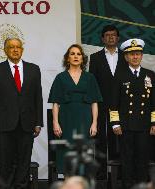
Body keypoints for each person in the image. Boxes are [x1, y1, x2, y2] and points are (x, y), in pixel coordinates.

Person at [0, 37, 43, 189]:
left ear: (22, 50)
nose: (15, 49)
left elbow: (38, 98)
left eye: (18, 47)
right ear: (5, 50)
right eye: (11, 47)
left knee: (24, 162)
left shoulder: (34, 69)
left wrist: (38, 122)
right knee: (5, 162)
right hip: (5, 125)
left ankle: (21, 186)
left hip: (27, 124)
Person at [48, 44, 102, 173]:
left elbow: (95, 102)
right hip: (66, 120)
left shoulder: (90, 77)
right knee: (67, 155)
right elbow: (55, 102)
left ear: (83, 59)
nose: (76, 56)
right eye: (72, 54)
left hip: (85, 120)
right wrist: (55, 123)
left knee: (84, 155)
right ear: (67, 58)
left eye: (78, 54)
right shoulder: (60, 78)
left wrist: (94, 123)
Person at [109, 38, 155, 189]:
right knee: (127, 160)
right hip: (126, 125)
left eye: (138, 54)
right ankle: (128, 186)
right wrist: (115, 123)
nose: (135, 57)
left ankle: (142, 186)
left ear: (142, 56)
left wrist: (154, 123)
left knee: (142, 159)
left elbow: (154, 102)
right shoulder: (119, 76)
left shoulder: (150, 75)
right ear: (126, 57)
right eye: (132, 54)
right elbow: (113, 103)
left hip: (144, 125)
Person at [89, 24, 127, 180]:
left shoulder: (126, 56)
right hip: (101, 104)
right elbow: (93, 83)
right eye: (107, 35)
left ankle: (120, 175)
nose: (111, 37)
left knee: (121, 140)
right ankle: (101, 176)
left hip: (122, 105)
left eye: (113, 35)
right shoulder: (95, 57)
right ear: (102, 38)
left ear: (118, 38)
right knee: (100, 141)